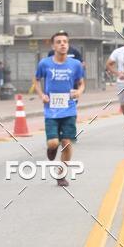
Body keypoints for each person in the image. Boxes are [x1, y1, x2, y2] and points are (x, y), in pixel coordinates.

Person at [34, 31, 85, 187]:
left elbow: (81, 83)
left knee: (67, 143)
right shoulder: (44, 63)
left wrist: (79, 92)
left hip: (69, 109)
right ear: (53, 45)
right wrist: (41, 94)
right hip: (51, 110)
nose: (62, 44)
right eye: (59, 42)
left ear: (68, 45)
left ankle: (61, 175)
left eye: (65, 41)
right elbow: (36, 80)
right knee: (53, 143)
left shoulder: (75, 65)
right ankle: (51, 149)